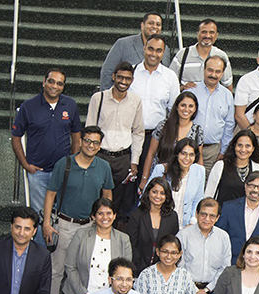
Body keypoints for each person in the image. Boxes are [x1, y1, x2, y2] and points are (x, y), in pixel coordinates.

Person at [42, 125, 114, 294]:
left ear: (100, 146)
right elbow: (50, 194)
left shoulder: (104, 167)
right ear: (81, 142)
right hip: (65, 225)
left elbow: (107, 196)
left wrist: (104, 222)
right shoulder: (64, 164)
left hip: (90, 227)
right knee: (56, 271)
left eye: (95, 142)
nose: (91, 145)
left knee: (85, 270)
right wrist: (47, 223)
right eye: (87, 140)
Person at [11, 67, 81, 245]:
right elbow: (16, 137)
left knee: (63, 214)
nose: (54, 86)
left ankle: (60, 254)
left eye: (59, 83)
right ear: (44, 82)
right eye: (51, 81)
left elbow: (76, 136)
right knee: (41, 215)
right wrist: (25, 164)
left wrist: (74, 162)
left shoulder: (70, 105)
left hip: (64, 172)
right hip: (38, 172)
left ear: (63, 87)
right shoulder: (28, 107)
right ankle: (42, 256)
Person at [59, 198, 132, 294]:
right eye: (100, 213)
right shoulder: (81, 234)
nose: (105, 217)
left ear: (115, 215)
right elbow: (70, 266)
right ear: (93, 216)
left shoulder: (123, 239)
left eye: (109, 213)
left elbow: (124, 274)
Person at [86, 61, 144, 218]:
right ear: (113, 77)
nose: (123, 82)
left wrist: (135, 161)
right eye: (120, 77)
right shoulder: (98, 98)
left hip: (122, 158)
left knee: (116, 201)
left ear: (132, 80)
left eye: (127, 78)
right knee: (95, 196)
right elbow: (90, 128)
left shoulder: (136, 101)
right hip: (100, 156)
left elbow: (138, 132)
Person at [128, 33, 180, 191]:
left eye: (158, 50)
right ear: (144, 49)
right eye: (150, 49)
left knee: (150, 180)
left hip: (155, 138)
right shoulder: (131, 73)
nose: (154, 54)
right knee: (128, 178)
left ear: (163, 53)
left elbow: (174, 111)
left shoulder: (170, 77)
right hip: (129, 136)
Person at [140, 91, 204, 189]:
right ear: (177, 107)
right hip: (160, 180)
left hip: (183, 182)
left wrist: (199, 184)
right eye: (183, 105)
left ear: (195, 109)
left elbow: (199, 160)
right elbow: (151, 154)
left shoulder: (198, 131)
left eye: (191, 106)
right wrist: (144, 179)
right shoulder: (163, 126)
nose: (186, 109)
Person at [215, 172, 259, 264]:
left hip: (256, 267)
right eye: (251, 185)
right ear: (245, 186)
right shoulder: (229, 207)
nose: (255, 190)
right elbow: (218, 237)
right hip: (229, 264)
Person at [99, 12, 172, 91]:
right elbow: (107, 71)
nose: (154, 27)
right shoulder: (123, 44)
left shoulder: (166, 49)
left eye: (158, 24)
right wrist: (106, 97)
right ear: (142, 25)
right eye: (151, 23)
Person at [144, 137, 205, 227]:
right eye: (183, 154)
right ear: (177, 154)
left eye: (191, 155)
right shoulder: (161, 169)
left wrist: (192, 222)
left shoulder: (200, 171)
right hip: (161, 223)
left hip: (186, 226)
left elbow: (198, 200)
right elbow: (146, 196)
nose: (187, 158)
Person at [126, 176, 180, 275]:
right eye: (154, 192)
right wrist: (138, 266)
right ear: (148, 192)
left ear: (167, 196)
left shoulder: (172, 217)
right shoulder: (136, 215)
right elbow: (131, 244)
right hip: (138, 268)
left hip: (163, 269)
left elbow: (172, 244)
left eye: (162, 193)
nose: (158, 196)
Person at [191, 55, 235, 172]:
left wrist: (223, 151)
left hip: (213, 150)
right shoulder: (191, 91)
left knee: (209, 185)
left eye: (217, 71)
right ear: (204, 69)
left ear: (222, 73)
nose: (213, 75)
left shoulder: (227, 95)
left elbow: (229, 125)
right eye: (210, 70)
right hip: (190, 148)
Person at [169, 18, 234, 91]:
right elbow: (169, 81)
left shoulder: (222, 56)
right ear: (197, 34)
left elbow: (227, 86)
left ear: (216, 35)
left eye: (211, 32)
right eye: (204, 32)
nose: (207, 36)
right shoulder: (183, 54)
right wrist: (182, 88)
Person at [205, 129, 259, 204]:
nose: (243, 149)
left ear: (253, 148)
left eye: (247, 146)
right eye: (240, 145)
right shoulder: (220, 166)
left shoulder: (258, 169)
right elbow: (209, 195)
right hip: (223, 214)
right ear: (234, 146)